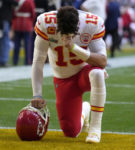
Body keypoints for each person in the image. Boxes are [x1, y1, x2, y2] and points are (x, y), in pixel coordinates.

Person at [31, 6, 107, 143]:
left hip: (85, 73)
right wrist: (37, 94)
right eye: (64, 35)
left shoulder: (91, 24)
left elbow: (102, 61)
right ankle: (85, 110)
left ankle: (95, 129)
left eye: (72, 36)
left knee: (98, 74)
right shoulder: (46, 23)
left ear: (78, 26)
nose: (67, 38)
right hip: (64, 79)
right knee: (70, 131)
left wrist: (74, 47)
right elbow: (38, 61)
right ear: (57, 25)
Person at [12, 0, 36, 65]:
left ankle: (15, 61)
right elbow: (33, 13)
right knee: (27, 44)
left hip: (17, 23)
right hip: (27, 24)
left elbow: (13, 12)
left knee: (16, 44)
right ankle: (27, 62)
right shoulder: (30, 1)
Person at [0, 0, 18, 67]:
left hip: (3, 19)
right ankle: (3, 61)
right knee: (5, 41)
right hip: (4, 19)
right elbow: (15, 3)